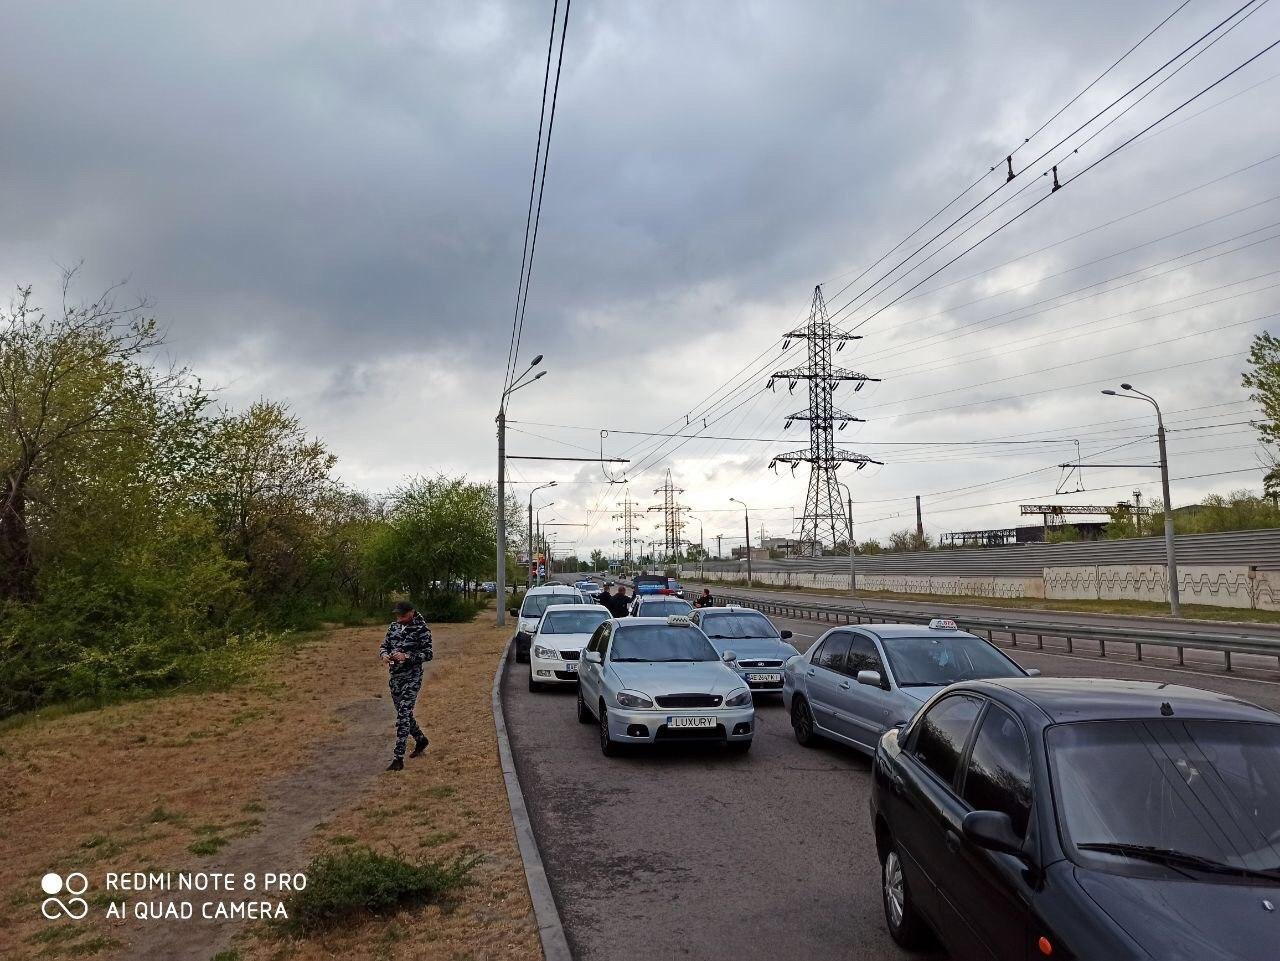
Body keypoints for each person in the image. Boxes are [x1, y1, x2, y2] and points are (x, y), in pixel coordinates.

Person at [380, 600, 433, 771]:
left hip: (412, 677)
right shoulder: (393, 627)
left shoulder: (421, 630)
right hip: (395, 677)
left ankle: (398, 758)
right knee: (404, 715)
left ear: (411, 612)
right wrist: (384, 656)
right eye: (397, 614)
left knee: (403, 714)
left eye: (402, 614)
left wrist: (407, 656)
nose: (399, 617)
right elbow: (384, 646)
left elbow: (428, 654)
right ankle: (421, 739)